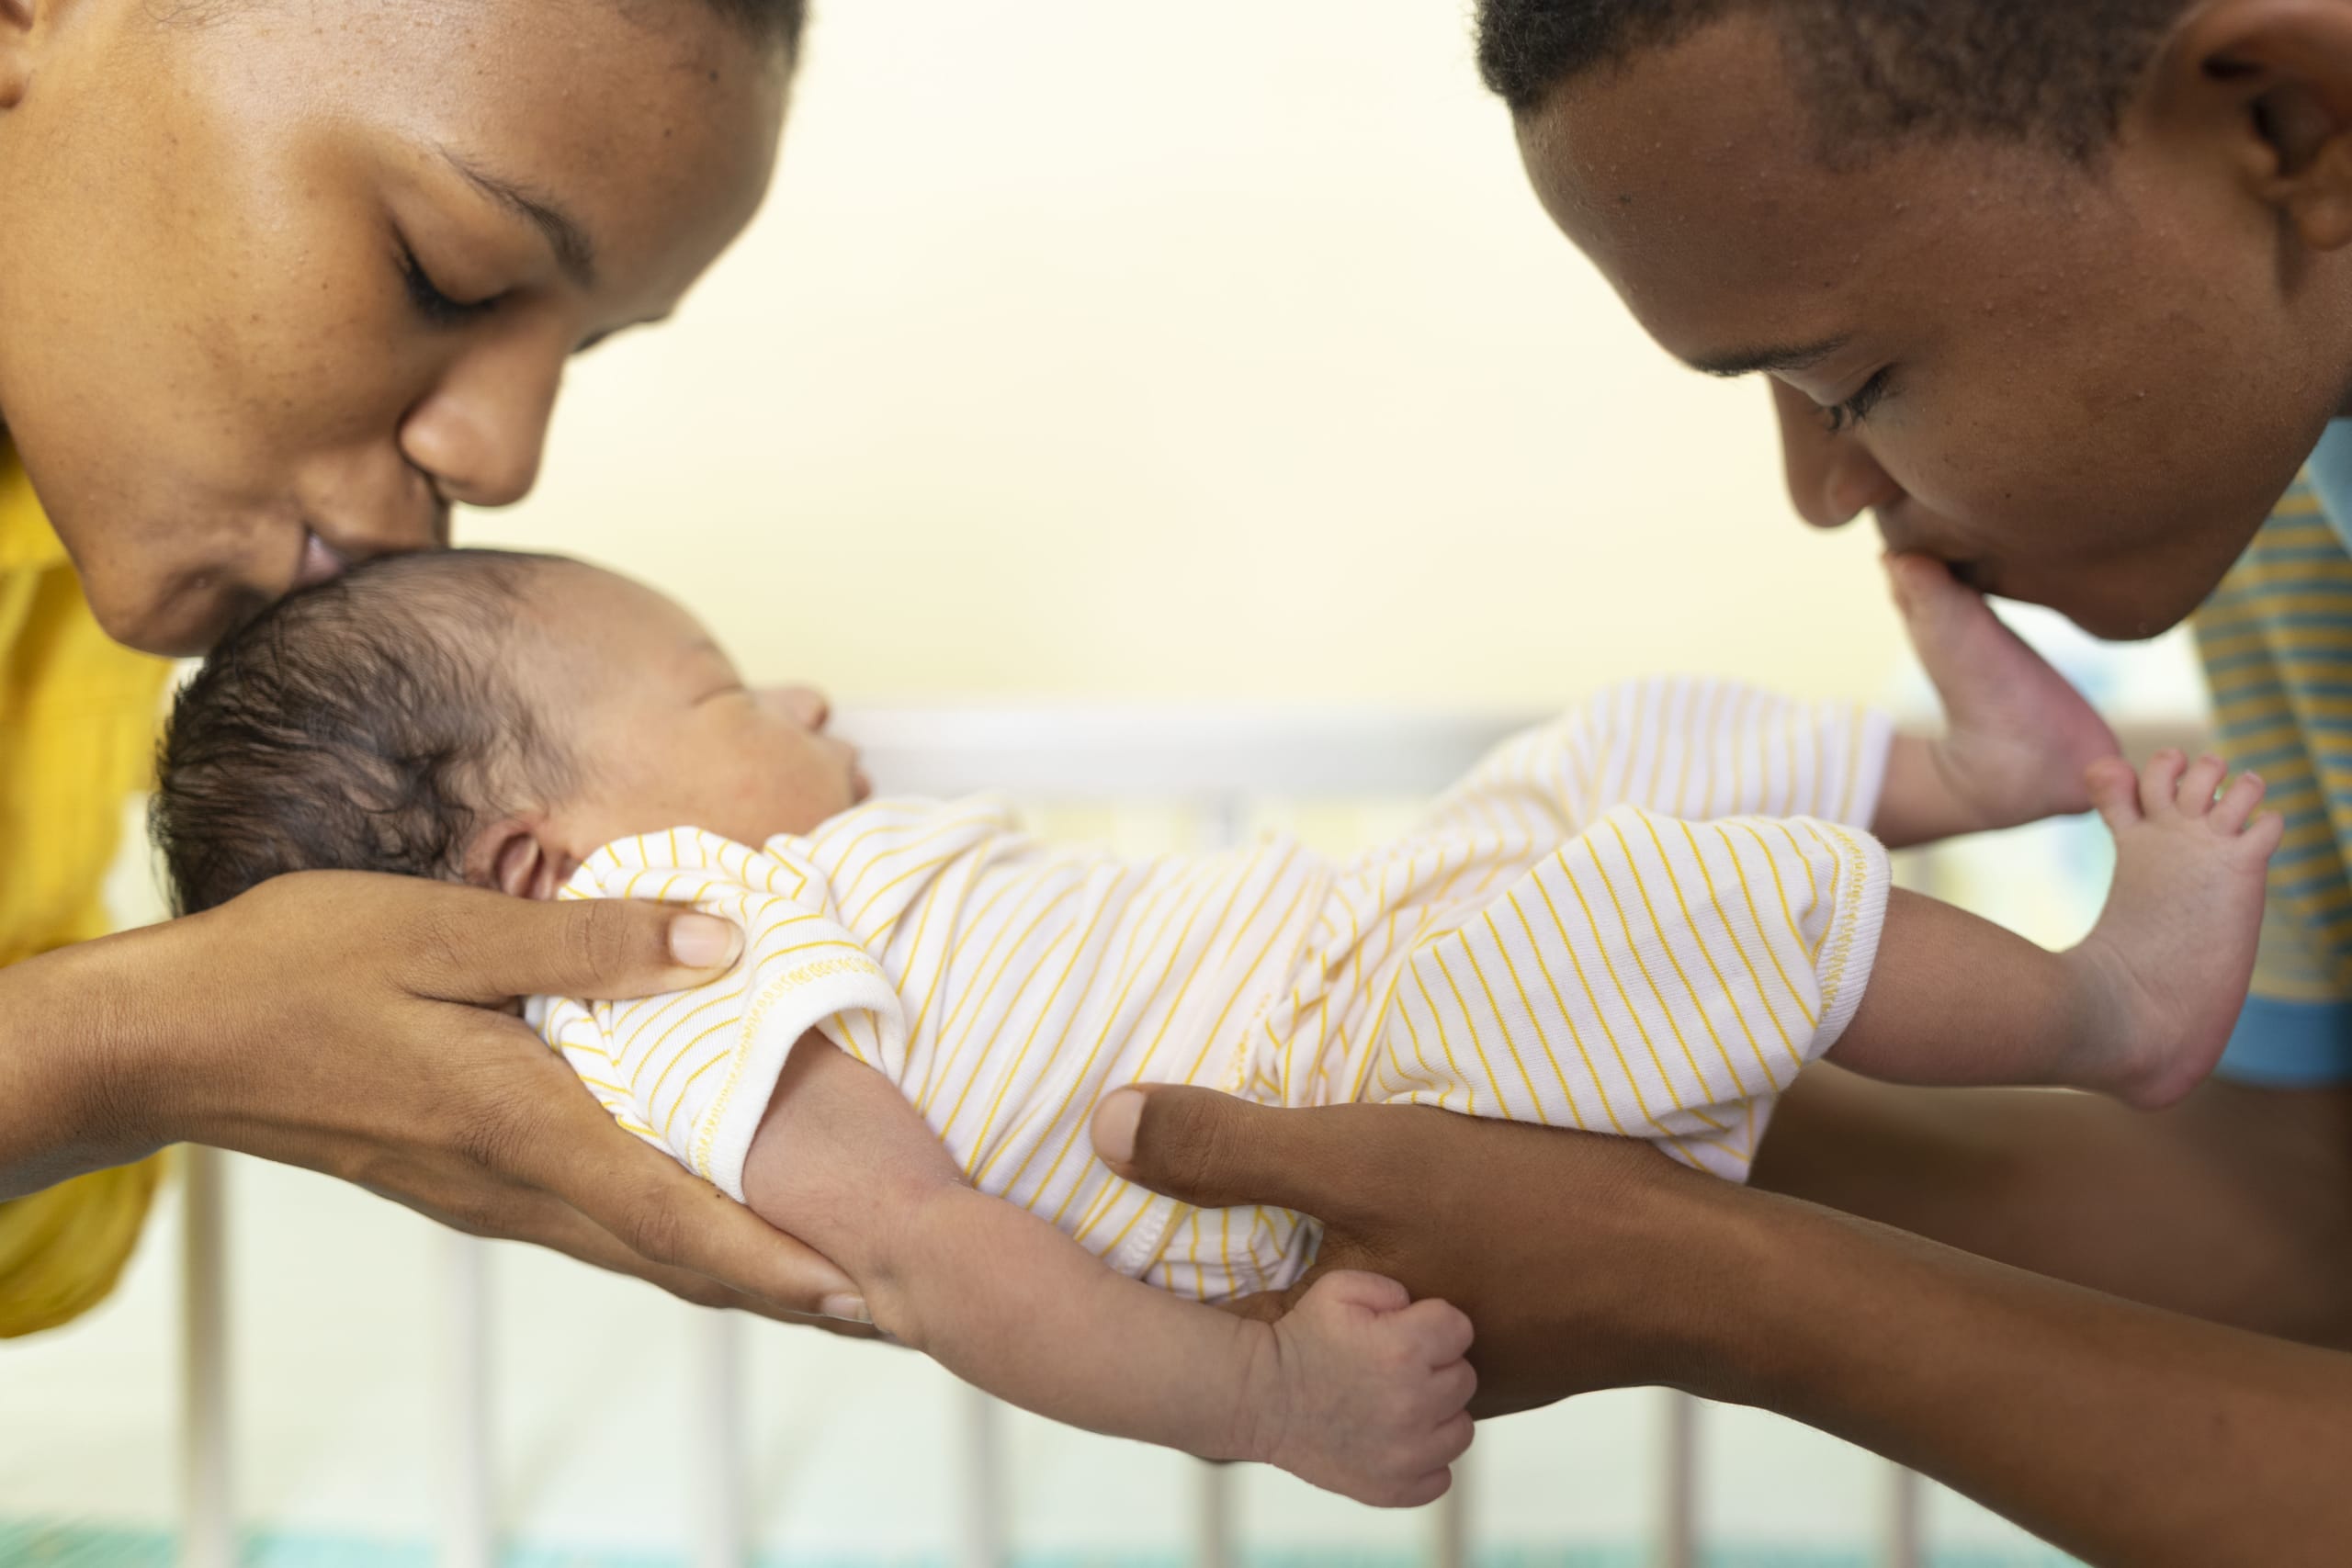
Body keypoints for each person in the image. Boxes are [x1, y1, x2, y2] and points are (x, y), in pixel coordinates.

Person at [148, 546, 2274, 1503]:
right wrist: (1253, 1396)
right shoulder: (659, 961)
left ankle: (1976, 776)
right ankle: (2101, 1004)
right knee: (1681, 897)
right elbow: (928, 1246)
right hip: (1322, 1080)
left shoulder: (725, 918)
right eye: (723, 692)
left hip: (1350, 964)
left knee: (1604, 759)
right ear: (543, 867)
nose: (804, 703)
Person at [1082, 2, 2352, 1562]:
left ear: (2292, 128)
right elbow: (2301, 1235)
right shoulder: (2284, 510)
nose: (1819, 495)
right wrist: (1580, 1074)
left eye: (1854, 383)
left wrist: (1693, 1277)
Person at [0, 0, 863, 1338]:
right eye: (443, 274)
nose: (504, 459)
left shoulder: (99, 550)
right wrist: (124, 1045)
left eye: (576, 351)